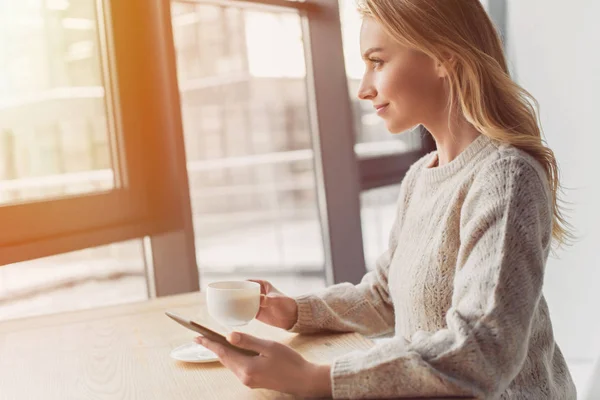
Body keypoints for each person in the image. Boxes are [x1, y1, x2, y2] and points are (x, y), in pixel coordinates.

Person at [195, 0, 577, 398]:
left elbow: (483, 350)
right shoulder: (420, 177)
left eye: (377, 61)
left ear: (443, 58)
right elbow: (384, 296)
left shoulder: (506, 178)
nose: (363, 89)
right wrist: (294, 310)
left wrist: (315, 379)